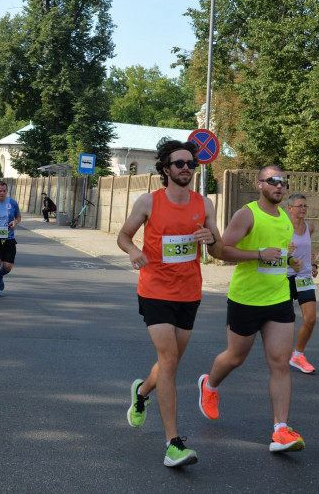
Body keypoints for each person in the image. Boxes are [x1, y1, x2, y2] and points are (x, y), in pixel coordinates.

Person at [117, 139, 223, 468]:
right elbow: (124, 236)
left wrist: (212, 240)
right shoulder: (148, 201)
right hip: (155, 289)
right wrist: (134, 251)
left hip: (189, 292)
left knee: (170, 363)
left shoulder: (204, 204)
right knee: (169, 359)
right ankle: (173, 443)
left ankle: (142, 392)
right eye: (179, 163)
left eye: (191, 163)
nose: (186, 168)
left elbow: (216, 248)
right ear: (166, 169)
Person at [196, 165, 306, 454]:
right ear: (260, 184)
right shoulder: (247, 214)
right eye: (273, 181)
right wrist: (258, 254)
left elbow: (280, 255)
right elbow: (221, 251)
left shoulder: (284, 217)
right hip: (246, 299)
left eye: (283, 181)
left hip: (279, 298)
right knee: (235, 357)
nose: (279, 186)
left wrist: (290, 262)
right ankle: (209, 385)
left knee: (280, 363)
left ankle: (281, 430)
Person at [286, 194, 318, 374]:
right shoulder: (283, 229)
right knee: (286, 321)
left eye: (305, 205)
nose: (303, 209)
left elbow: (307, 250)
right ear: (289, 208)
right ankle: (280, 354)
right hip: (286, 277)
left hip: (304, 277)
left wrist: (312, 265)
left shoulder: (309, 227)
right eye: (299, 206)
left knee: (311, 319)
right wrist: (287, 255)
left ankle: (298, 355)